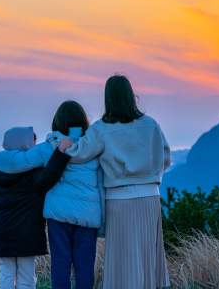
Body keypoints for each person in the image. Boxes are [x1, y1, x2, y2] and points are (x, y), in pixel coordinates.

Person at [65, 74, 171, 289]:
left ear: (108, 98)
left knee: (123, 257)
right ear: (131, 95)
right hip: (150, 198)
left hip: (120, 200)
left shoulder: (101, 128)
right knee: (146, 255)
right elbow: (166, 157)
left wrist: (59, 141)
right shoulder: (151, 125)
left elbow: (77, 155)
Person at [0, 101, 105, 289]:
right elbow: (101, 184)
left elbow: (21, 160)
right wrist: (102, 218)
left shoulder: (48, 147)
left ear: (57, 121)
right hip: (88, 216)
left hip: (58, 216)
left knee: (60, 268)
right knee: (85, 269)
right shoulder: (95, 147)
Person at [0, 127, 73, 289]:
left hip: (3, 231)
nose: (34, 145)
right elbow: (48, 178)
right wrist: (61, 152)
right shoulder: (32, 171)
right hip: (27, 232)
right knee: (26, 277)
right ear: (25, 144)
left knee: (6, 275)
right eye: (32, 142)